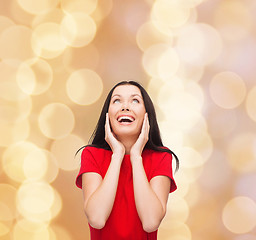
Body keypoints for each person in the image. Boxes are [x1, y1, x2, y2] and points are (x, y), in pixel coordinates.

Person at [75, 80, 179, 240]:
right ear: (107, 115)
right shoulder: (91, 154)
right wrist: (117, 154)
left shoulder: (161, 157)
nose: (125, 106)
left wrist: (136, 156)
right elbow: (96, 219)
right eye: (117, 100)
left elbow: (151, 222)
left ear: (146, 114)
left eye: (135, 100)